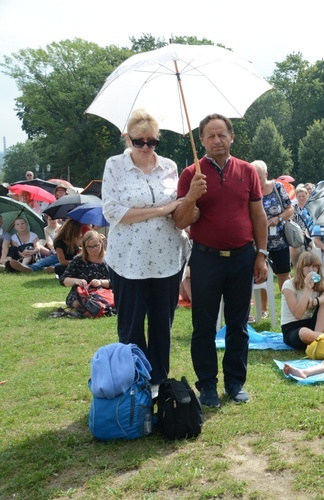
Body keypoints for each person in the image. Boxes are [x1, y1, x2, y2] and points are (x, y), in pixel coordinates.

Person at [174, 113, 268, 408]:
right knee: (203, 325)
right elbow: (180, 221)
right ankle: (208, 385)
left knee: (238, 324)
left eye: (221, 135)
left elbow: (257, 215)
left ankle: (235, 381)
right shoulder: (191, 174)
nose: (216, 140)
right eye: (210, 136)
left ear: (232, 137)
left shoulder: (247, 171)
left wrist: (261, 255)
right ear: (201, 140)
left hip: (243, 257)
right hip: (206, 259)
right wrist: (191, 197)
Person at [102, 109, 191, 390]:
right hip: (128, 261)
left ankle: (159, 383)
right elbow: (113, 212)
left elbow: (180, 206)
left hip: (167, 258)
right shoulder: (115, 165)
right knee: (130, 327)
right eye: (139, 141)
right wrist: (162, 209)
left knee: (162, 326)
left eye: (152, 142)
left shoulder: (170, 166)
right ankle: (135, 382)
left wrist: (189, 200)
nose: (145, 147)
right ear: (127, 138)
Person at [251, 159, 294, 320]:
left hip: (279, 240)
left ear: (266, 174)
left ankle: (288, 306)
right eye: (254, 176)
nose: (257, 180)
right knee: (261, 275)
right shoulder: (250, 190)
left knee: (283, 274)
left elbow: (290, 209)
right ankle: (263, 309)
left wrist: (278, 218)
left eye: (259, 176)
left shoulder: (277, 187)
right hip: (258, 242)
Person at [281, 250, 324, 349]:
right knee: (304, 333)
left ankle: (320, 338)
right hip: (293, 328)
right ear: (300, 268)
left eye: (314, 266)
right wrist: (307, 289)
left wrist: (316, 301)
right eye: (307, 266)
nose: (311, 270)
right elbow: (297, 315)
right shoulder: (289, 285)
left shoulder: (319, 283)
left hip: (313, 325)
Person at [8, 218, 82, 274]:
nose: (80, 233)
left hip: (69, 261)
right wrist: (75, 261)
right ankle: (25, 268)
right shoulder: (59, 242)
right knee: (40, 264)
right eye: (78, 231)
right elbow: (62, 260)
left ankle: (50, 268)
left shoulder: (78, 239)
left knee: (59, 266)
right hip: (58, 257)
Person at [60, 231, 110, 311]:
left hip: (105, 292)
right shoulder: (78, 260)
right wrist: (77, 281)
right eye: (89, 247)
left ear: (101, 243)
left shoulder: (109, 259)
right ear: (84, 247)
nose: (93, 249)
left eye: (96, 246)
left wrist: (101, 282)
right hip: (83, 293)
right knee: (78, 303)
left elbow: (117, 282)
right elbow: (64, 280)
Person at [289, 185, 311, 269]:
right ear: (296, 197)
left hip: (310, 233)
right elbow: (290, 223)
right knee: (295, 247)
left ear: (307, 195)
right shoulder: (293, 208)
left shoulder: (311, 208)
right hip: (297, 233)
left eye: (303, 196)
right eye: (299, 196)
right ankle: (297, 268)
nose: (301, 198)